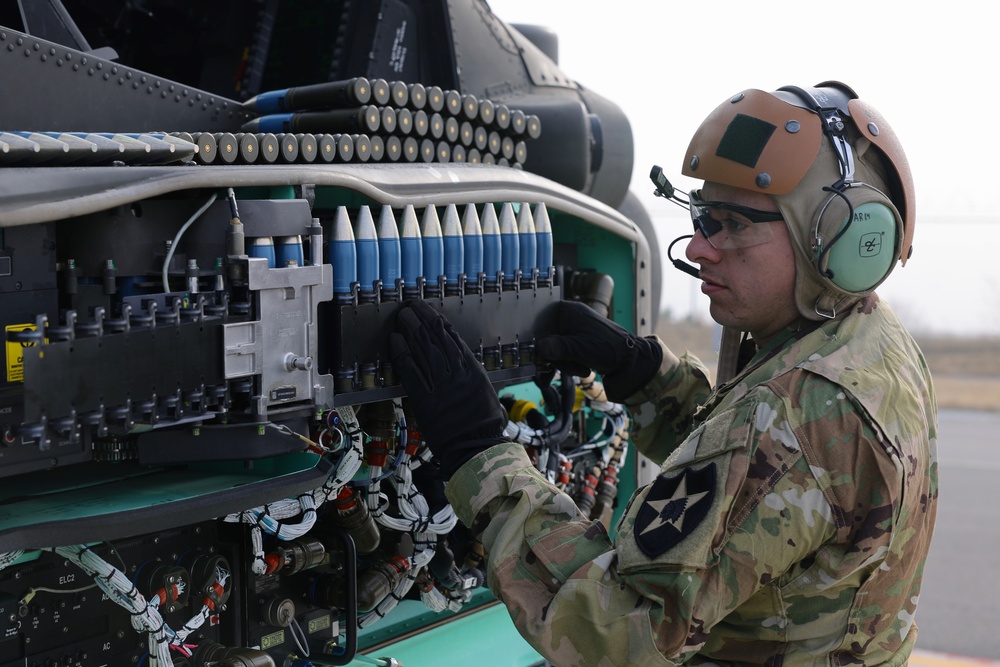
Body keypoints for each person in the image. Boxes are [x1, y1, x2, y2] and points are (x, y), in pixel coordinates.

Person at [389, 81, 938, 667]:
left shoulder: (791, 410)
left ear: (831, 240)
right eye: (701, 216)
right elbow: (762, 488)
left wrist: (481, 454)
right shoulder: (871, 343)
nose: (700, 248)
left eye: (732, 223)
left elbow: (613, 632)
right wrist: (644, 375)